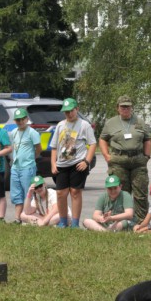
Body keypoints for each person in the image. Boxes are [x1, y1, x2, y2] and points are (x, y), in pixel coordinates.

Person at [99, 95, 151, 222]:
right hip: (118, 161)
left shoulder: (139, 121)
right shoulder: (110, 123)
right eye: (123, 107)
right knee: (121, 192)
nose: (125, 109)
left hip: (138, 161)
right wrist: (106, 155)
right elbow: (102, 139)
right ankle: (123, 222)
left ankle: (140, 223)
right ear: (118, 108)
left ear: (132, 108)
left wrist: (147, 156)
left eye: (128, 107)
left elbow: (147, 139)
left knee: (141, 193)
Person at [50, 98, 96, 228]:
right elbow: (54, 146)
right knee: (61, 193)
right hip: (62, 164)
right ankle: (63, 221)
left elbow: (92, 144)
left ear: (77, 109)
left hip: (77, 163)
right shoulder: (60, 125)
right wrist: (53, 164)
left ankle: (75, 223)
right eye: (66, 112)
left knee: (75, 192)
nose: (69, 114)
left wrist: (86, 161)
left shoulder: (84, 125)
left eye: (71, 111)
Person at [9, 108, 42, 223]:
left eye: (23, 119)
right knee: (17, 193)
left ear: (27, 119)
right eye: (18, 120)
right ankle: (17, 218)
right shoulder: (14, 132)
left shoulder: (32, 132)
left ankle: (29, 218)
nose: (20, 122)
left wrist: (32, 158)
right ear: (15, 121)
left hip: (27, 167)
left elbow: (38, 148)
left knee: (28, 193)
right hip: (15, 167)